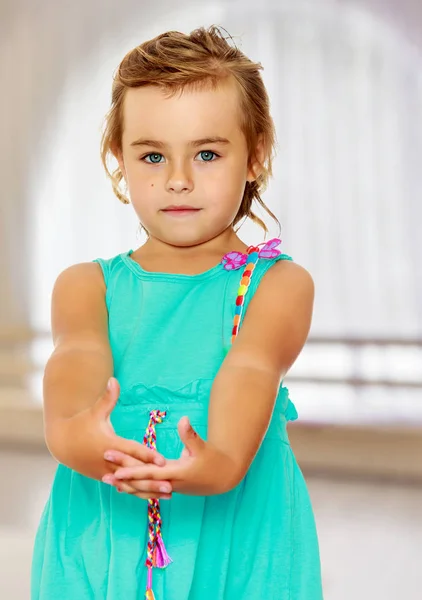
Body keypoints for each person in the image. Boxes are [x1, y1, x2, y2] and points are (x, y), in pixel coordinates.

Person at [31, 25, 323, 600]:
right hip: (101, 528)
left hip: (239, 532)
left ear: (256, 154)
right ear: (119, 159)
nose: (179, 179)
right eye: (153, 155)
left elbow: (251, 369)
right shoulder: (86, 285)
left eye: (208, 153)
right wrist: (78, 436)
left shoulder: (277, 285)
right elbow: (75, 366)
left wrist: (218, 462)